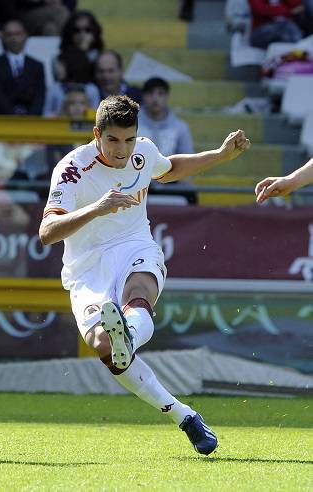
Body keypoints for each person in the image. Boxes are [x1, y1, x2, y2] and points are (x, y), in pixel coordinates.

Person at [38, 95, 250, 455]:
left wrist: (220, 155)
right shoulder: (73, 168)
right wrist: (96, 208)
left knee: (140, 295)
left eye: (129, 139)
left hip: (135, 245)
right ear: (97, 135)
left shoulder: (143, 152)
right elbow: (47, 231)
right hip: (87, 265)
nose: (122, 150)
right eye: (113, 140)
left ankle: (129, 336)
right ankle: (183, 415)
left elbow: (170, 168)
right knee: (106, 348)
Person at [138, 77, 197, 204]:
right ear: (143, 96)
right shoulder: (131, 125)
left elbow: (188, 164)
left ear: (167, 96)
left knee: (192, 194)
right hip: (136, 181)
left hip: (170, 181)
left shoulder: (180, 128)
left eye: (160, 93)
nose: (155, 98)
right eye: (150, 93)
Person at [0, 19, 45, 116]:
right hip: (2, 119)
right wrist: (14, 118)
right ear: (3, 37)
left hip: (31, 121)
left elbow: (40, 97)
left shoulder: (37, 66)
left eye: (17, 34)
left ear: (25, 35)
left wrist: (30, 119)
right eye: (9, 34)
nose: (13, 38)